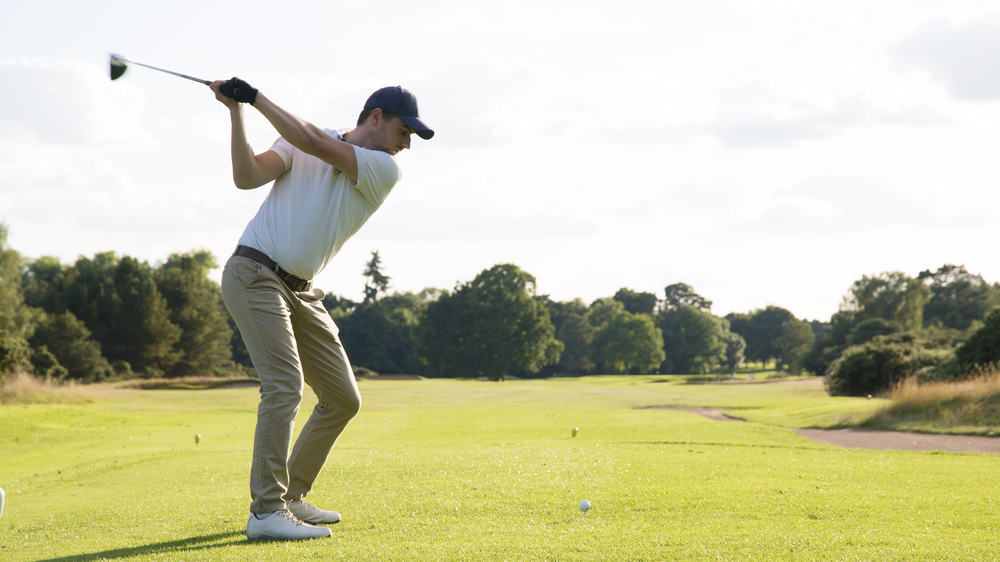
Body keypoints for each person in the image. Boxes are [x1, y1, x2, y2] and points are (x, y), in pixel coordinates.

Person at [210, 77, 433, 541]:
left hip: (303, 290)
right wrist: (237, 112)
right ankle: (266, 511)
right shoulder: (302, 140)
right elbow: (246, 176)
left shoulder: (382, 168)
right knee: (285, 385)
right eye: (403, 132)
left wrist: (254, 97)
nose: (406, 145)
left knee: (342, 398)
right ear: (376, 118)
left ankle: (289, 498)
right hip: (254, 272)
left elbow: (311, 139)